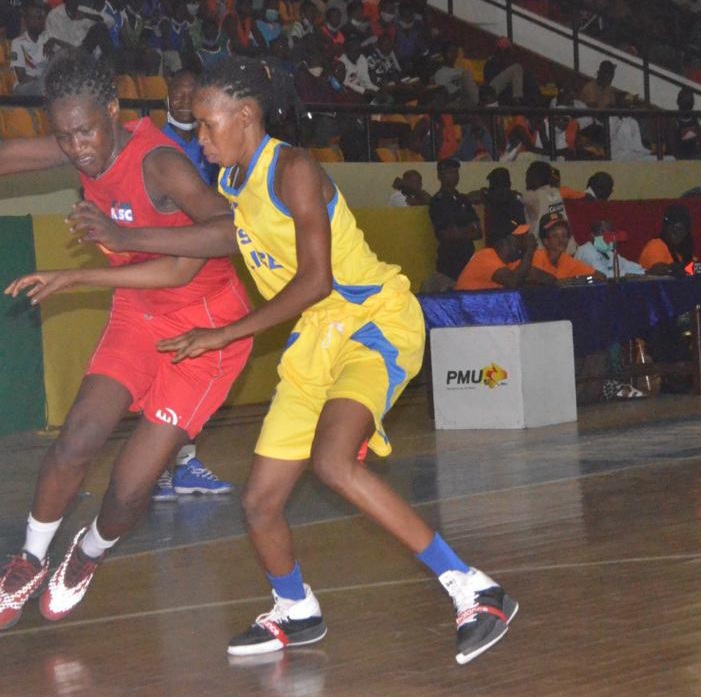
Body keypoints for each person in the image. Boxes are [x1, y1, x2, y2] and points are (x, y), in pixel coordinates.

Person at [71, 56, 518, 665]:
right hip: (315, 340)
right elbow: (214, 240)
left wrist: (225, 334)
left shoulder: (294, 169)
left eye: (207, 125)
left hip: (372, 320)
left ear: (245, 116)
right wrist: (125, 238)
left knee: (332, 462)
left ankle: (472, 588)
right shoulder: (233, 184)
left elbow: (315, 280)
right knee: (259, 502)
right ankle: (295, 609)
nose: (200, 139)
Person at [0, 53, 255, 630]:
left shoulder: (161, 163)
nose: (77, 148)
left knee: (131, 487)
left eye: (85, 131)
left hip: (205, 328)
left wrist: (121, 238)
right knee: (77, 439)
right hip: (140, 309)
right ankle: (28, 560)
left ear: (112, 111)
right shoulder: (77, 143)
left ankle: (88, 553)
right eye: (64, 136)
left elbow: (231, 233)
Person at [153, 68, 235, 502]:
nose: (184, 98)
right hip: (166, 263)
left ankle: (182, 463)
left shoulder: (213, 140)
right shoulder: (154, 143)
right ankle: (159, 467)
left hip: (206, 262)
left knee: (195, 360)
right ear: (167, 96)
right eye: (178, 92)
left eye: (192, 92)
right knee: (165, 362)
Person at [427, 157, 482, 292]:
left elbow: (478, 231)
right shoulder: (438, 201)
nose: (454, 176)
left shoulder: (462, 199)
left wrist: (461, 232)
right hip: (449, 262)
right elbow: (447, 234)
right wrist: (467, 230)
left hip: (467, 258)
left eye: (456, 172)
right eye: (449, 172)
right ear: (440, 176)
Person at [454, 223, 551, 290]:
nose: (523, 243)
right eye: (520, 238)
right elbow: (513, 282)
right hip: (465, 311)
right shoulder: (485, 256)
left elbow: (544, 278)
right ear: (503, 243)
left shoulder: (509, 263)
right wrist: (529, 249)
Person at [531, 213, 604, 281]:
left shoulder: (567, 260)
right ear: (545, 240)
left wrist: (577, 279)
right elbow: (532, 275)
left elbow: (601, 277)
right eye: (555, 235)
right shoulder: (537, 256)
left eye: (564, 235)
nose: (561, 239)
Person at [574, 219, 645, 278]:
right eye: (602, 232)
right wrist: (627, 275)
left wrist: (644, 271)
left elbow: (625, 265)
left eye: (609, 232)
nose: (607, 236)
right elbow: (603, 276)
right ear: (592, 236)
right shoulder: (586, 251)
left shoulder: (608, 252)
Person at [638, 204, 695, 276]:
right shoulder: (656, 245)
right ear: (666, 228)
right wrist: (678, 269)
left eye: (680, 229)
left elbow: (698, 269)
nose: (676, 232)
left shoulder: (683, 252)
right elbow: (658, 271)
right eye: (673, 227)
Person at [10, 2, 52, 96]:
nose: (38, 21)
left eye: (40, 18)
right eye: (33, 18)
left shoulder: (49, 40)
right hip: (24, 86)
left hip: (44, 85)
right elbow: (21, 76)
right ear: (26, 21)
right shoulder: (17, 42)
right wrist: (42, 82)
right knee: (43, 89)